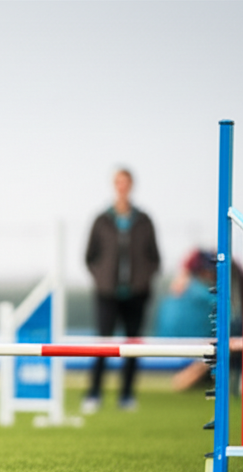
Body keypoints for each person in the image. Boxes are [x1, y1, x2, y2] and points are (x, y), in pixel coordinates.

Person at [83, 168, 160, 413]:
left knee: (133, 345)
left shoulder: (144, 219)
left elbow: (154, 257)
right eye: (118, 182)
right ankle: (94, 393)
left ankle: (127, 395)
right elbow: (89, 256)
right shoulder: (101, 219)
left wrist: (143, 280)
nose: (122, 187)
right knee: (102, 344)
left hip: (136, 293)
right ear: (113, 185)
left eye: (125, 182)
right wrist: (101, 279)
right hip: (107, 293)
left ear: (131, 185)